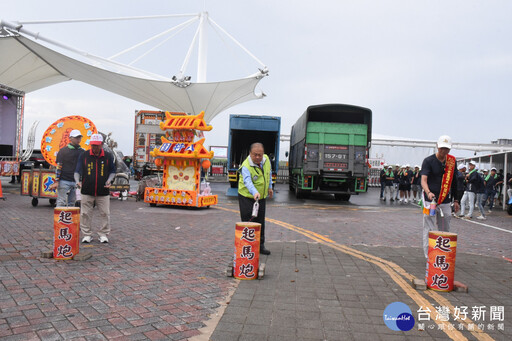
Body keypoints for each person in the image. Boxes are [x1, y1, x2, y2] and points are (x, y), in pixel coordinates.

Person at [420, 135, 460, 258]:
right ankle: (429, 255)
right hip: (430, 200)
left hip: (445, 200)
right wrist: (428, 192)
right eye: (442, 148)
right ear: (437, 146)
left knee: (445, 226)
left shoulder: (452, 162)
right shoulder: (428, 161)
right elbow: (423, 180)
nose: (444, 151)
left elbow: (454, 182)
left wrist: (456, 199)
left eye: (447, 149)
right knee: (429, 227)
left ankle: (442, 254)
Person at [74, 134, 116, 243]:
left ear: (102, 145)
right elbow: (77, 171)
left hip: (103, 191)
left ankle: (103, 234)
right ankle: (87, 234)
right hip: (87, 190)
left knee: (105, 213)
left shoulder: (108, 156)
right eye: (93, 145)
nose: (95, 148)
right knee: (85, 213)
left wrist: (109, 180)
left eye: (97, 145)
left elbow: (112, 171)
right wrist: (77, 181)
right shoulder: (84, 155)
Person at [238, 142, 273, 255]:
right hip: (247, 197)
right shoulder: (246, 166)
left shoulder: (266, 160)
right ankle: (248, 247)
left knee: (260, 221)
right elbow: (247, 182)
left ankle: (260, 246)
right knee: (249, 221)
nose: (258, 157)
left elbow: (268, 173)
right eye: (255, 155)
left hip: (261, 197)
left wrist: (270, 187)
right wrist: (255, 192)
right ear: (250, 154)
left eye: (260, 154)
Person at [49, 130, 84, 207]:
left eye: (79, 137)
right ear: (70, 138)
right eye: (76, 137)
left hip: (76, 182)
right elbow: (59, 166)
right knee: (61, 201)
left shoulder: (82, 152)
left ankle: (70, 218)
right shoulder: (63, 151)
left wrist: (81, 180)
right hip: (64, 180)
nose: (78, 139)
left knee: (72, 202)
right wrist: (57, 181)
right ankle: (59, 218)